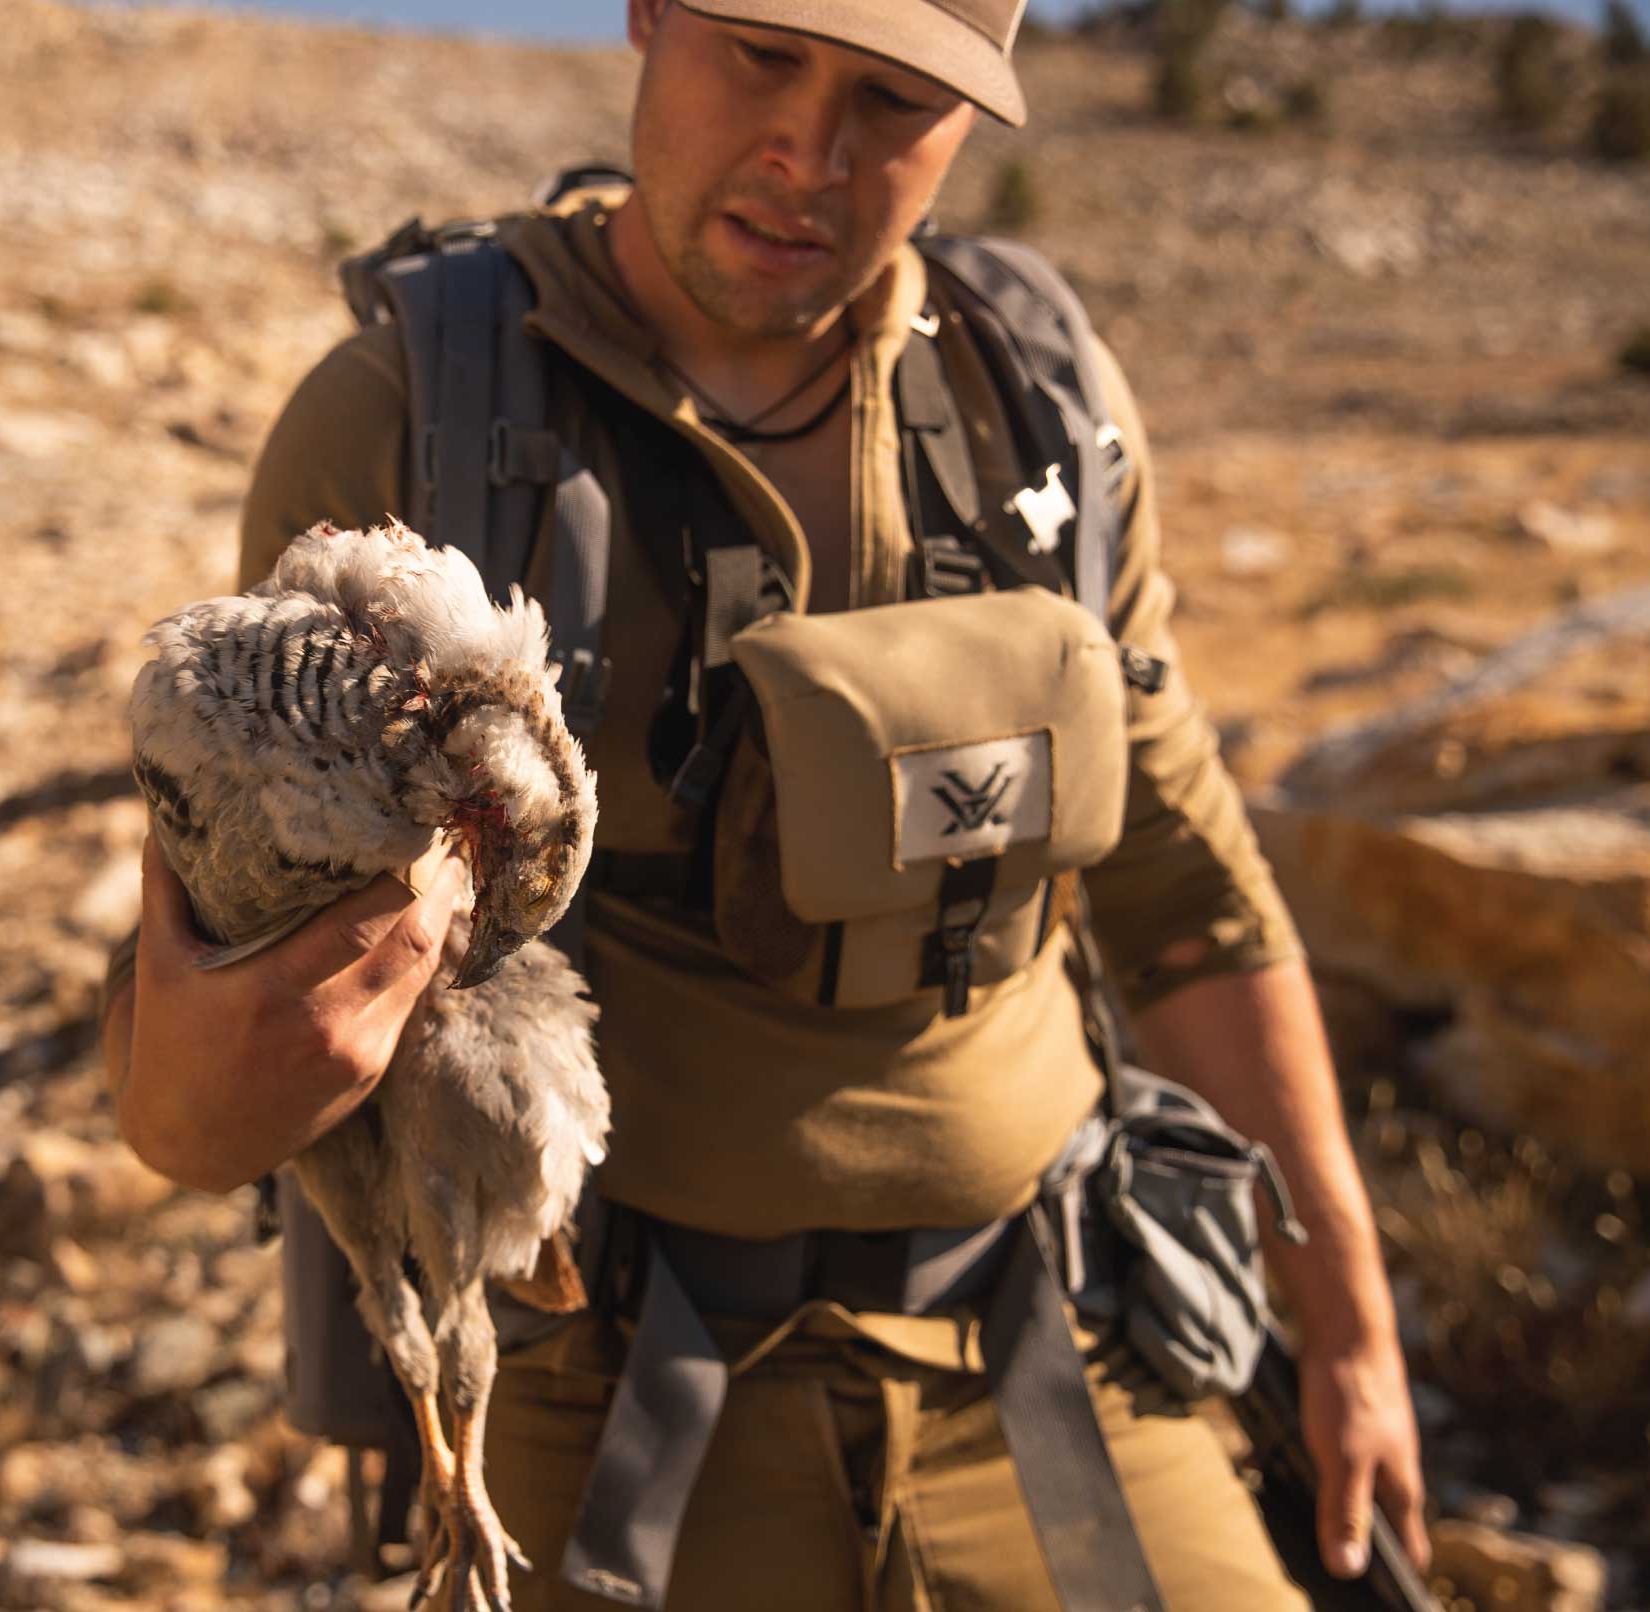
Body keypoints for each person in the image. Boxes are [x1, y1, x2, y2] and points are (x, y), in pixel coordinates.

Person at [102, 1, 1431, 1607]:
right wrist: (249, 1065)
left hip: (1063, 1347)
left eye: (892, 97)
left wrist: (1348, 1315)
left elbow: (1176, 868)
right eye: (763, 56)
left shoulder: (1039, 395)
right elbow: (191, 1077)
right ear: (652, 14)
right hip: (615, 1416)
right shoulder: (406, 427)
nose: (814, 151)